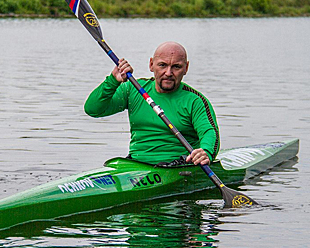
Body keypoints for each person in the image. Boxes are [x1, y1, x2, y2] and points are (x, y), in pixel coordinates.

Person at [84, 41, 220, 166]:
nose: (168, 73)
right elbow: (93, 109)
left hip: (178, 166)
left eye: (176, 67)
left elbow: (209, 132)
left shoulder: (194, 101)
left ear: (186, 68)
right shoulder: (134, 89)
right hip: (136, 164)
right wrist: (113, 81)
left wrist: (205, 152)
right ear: (151, 64)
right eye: (162, 65)